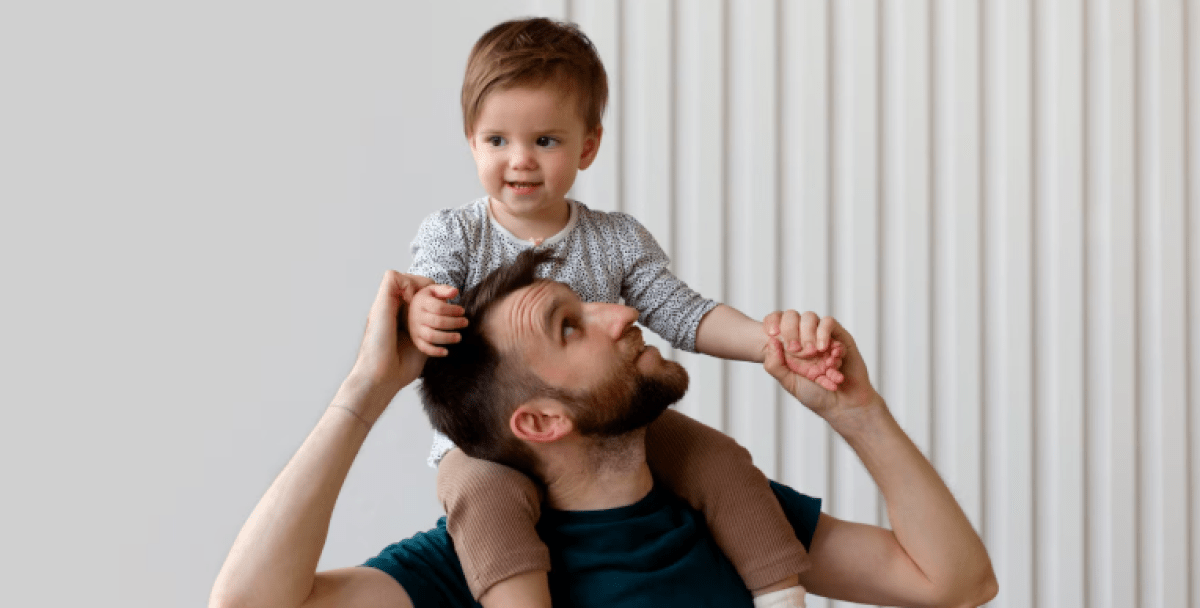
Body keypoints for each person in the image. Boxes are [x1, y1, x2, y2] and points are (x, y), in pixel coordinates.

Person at [209, 250, 999, 608]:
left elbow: (956, 583)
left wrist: (858, 413)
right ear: (540, 420)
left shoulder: (729, 513)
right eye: (570, 326)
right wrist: (366, 389)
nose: (620, 313)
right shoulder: (474, 567)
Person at [404, 16, 841, 608]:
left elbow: (682, 311)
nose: (520, 161)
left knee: (719, 459)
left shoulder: (616, 238)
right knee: (482, 494)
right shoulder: (452, 234)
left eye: (545, 141)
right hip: (491, 439)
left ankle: (780, 593)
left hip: (613, 425)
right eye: (497, 140)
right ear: (470, 140)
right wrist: (422, 311)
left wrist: (769, 342)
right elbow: (425, 297)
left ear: (588, 146)